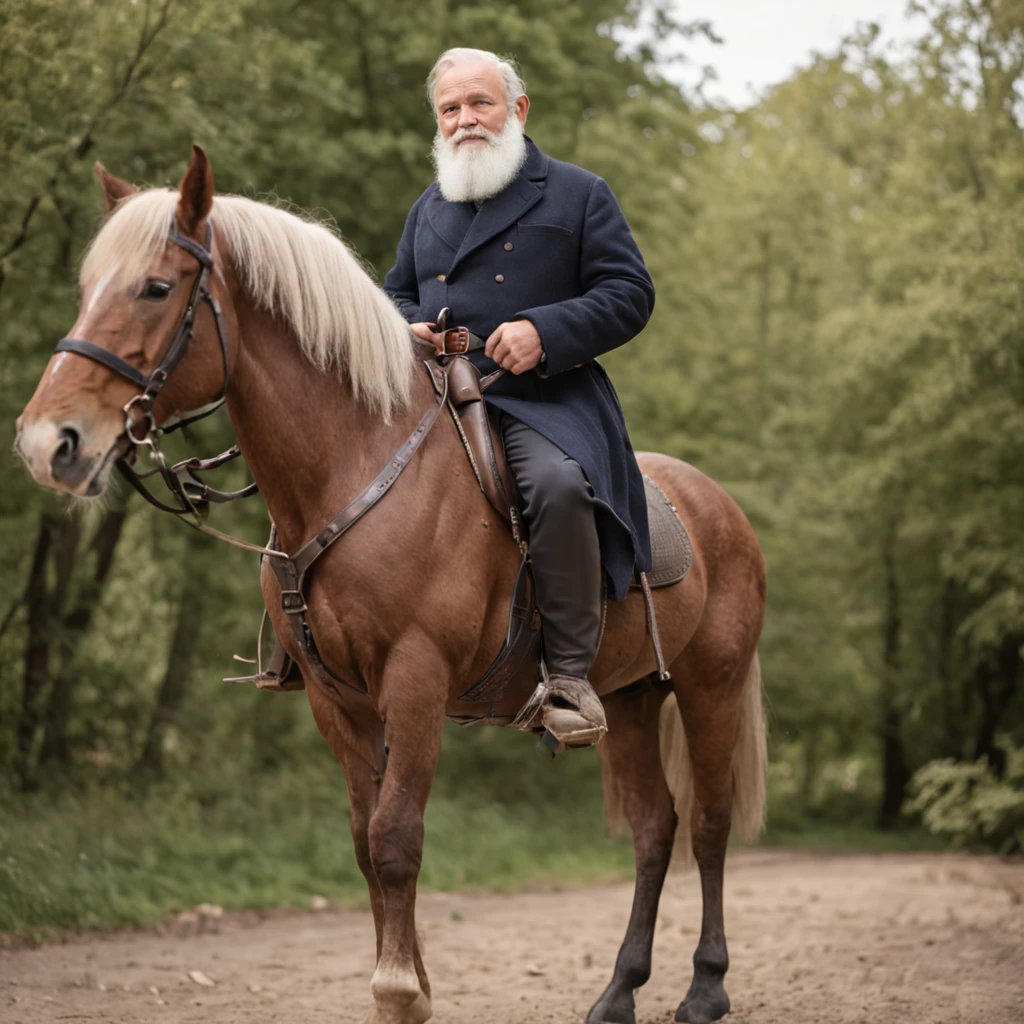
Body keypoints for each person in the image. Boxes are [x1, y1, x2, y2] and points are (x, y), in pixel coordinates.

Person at [384, 47, 654, 748]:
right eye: (450, 109)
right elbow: (397, 290)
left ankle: (568, 678)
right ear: (438, 122)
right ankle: (317, 642)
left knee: (559, 487)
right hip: (438, 395)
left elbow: (630, 295)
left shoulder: (577, 192)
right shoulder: (427, 207)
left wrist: (545, 329)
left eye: (480, 103)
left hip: (542, 397)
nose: (465, 119)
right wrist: (402, 323)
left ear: (517, 109)